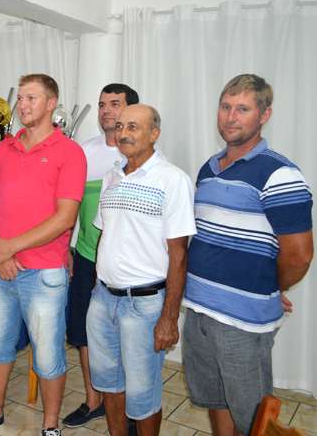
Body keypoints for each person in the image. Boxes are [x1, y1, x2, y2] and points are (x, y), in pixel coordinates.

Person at [182, 74, 313, 436]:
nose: (230, 117)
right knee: (215, 402)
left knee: (253, 419)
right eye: (226, 107)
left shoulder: (279, 172)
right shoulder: (208, 169)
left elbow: (300, 255)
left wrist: (270, 286)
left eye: (242, 109)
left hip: (243, 322)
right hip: (199, 311)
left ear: (264, 115)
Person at [0, 73, 86, 436]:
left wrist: (10, 247)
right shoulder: (3, 148)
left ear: (52, 104)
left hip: (44, 273)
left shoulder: (70, 152)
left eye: (31, 98)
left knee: (49, 356)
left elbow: (65, 217)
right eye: (20, 98)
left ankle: (50, 425)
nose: (22, 105)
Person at [86, 104, 196, 436]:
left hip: (145, 304)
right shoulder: (112, 176)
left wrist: (169, 317)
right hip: (103, 299)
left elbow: (179, 255)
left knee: (142, 393)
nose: (123, 133)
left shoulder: (173, 180)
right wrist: (96, 288)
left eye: (133, 127)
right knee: (109, 383)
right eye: (120, 126)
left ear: (154, 134)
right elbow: (107, 236)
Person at [62, 83, 140, 427]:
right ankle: (94, 401)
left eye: (115, 104)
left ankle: (128, 407)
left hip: (125, 266)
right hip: (85, 256)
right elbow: (69, 205)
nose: (107, 110)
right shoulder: (82, 152)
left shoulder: (142, 155)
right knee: (82, 332)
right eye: (102, 105)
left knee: (125, 337)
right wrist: (67, 246)